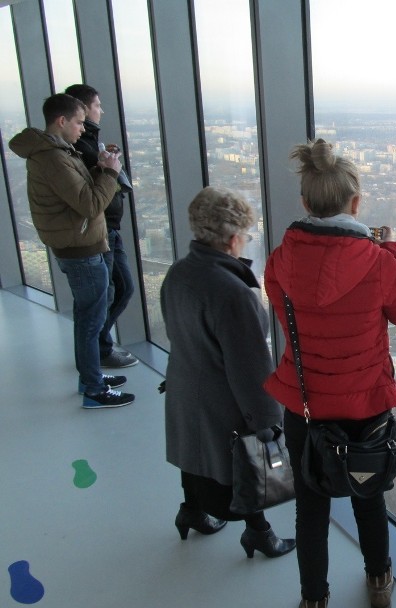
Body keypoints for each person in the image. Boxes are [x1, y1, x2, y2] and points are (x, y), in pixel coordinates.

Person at [264, 139, 396, 608]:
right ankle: (379, 587)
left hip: (305, 407)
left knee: (310, 509)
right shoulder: (376, 261)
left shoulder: (280, 260)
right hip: (366, 404)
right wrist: (390, 249)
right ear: (356, 204)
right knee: (367, 497)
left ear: (306, 203)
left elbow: (287, 315)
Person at [160, 186, 295, 560]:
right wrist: (268, 422)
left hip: (184, 386)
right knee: (246, 464)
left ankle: (192, 511)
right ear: (234, 238)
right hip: (223, 398)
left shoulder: (178, 272)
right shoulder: (233, 292)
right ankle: (259, 533)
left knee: (193, 450)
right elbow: (250, 369)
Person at [9, 93, 135, 409]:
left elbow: (79, 193)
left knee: (90, 313)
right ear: (62, 121)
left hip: (79, 244)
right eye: (79, 122)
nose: (83, 129)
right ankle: (94, 389)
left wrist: (101, 167)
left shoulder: (57, 152)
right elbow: (90, 203)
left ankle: (89, 377)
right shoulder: (53, 158)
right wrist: (108, 172)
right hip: (80, 249)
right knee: (91, 318)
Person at [64, 83, 138, 369]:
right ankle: (96, 352)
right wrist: (109, 169)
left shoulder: (87, 142)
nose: (102, 110)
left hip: (107, 228)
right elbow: (90, 197)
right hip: (100, 230)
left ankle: (95, 349)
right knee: (109, 294)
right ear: (84, 109)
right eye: (97, 105)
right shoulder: (80, 147)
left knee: (115, 291)